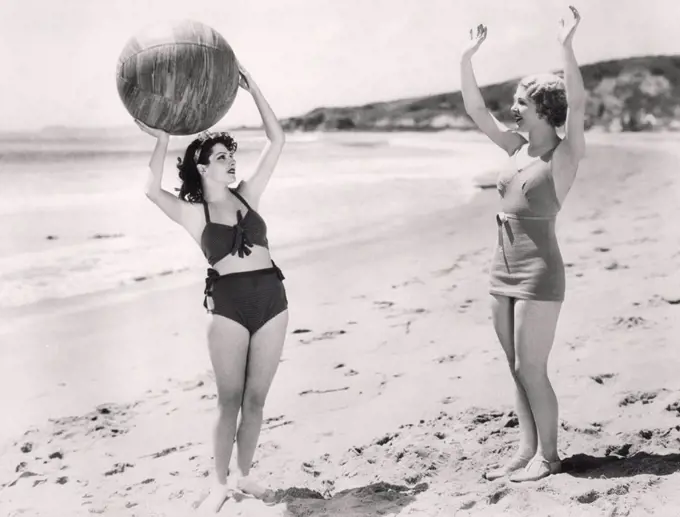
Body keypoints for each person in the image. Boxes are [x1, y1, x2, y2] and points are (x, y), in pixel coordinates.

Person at [135, 62, 288, 511]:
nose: (230, 160)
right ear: (202, 167)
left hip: (273, 300)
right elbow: (149, 189)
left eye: (229, 154)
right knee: (230, 400)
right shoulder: (191, 212)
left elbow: (277, 140)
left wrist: (254, 88)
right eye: (221, 156)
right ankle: (218, 485)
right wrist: (163, 140)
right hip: (228, 307)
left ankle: (244, 476)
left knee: (257, 400)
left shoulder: (248, 194)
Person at [460, 6, 586, 482]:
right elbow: (476, 110)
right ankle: (526, 447)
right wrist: (466, 58)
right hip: (501, 268)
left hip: (539, 272)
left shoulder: (564, 155)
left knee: (532, 366)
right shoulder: (515, 147)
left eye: (520, 102)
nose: (512, 108)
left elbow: (578, 104)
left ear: (545, 111)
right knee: (515, 366)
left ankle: (549, 457)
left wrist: (566, 49)